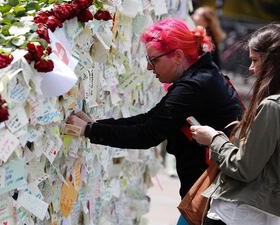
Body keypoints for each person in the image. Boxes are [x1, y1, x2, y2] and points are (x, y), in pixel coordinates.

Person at [65, 18, 243, 225]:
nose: (150, 68)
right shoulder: (202, 75)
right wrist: (94, 126)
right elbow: (152, 118)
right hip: (214, 196)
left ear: (177, 56)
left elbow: (147, 134)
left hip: (214, 202)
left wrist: (90, 130)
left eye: (154, 60)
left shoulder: (194, 86)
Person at [190, 24, 280, 225]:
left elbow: (244, 167)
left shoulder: (272, 106)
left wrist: (214, 139)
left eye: (255, 60)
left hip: (240, 213)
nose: (251, 68)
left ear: (273, 62)